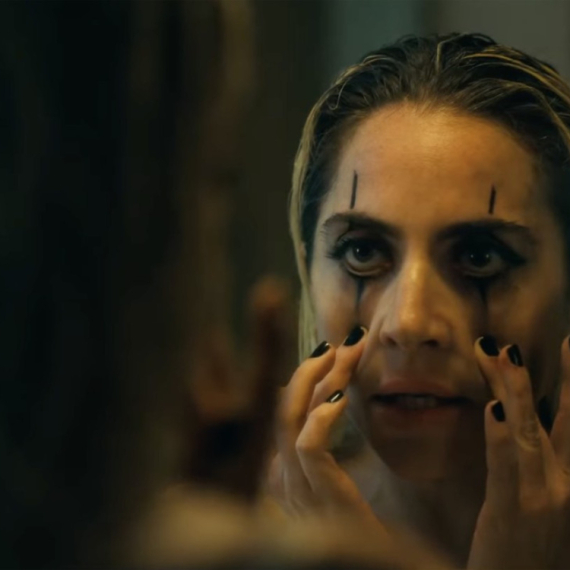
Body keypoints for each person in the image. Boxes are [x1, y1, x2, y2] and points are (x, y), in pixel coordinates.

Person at [269, 32, 570, 569]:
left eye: (479, 256)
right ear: (307, 265)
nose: (409, 323)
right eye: (362, 251)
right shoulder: (222, 543)